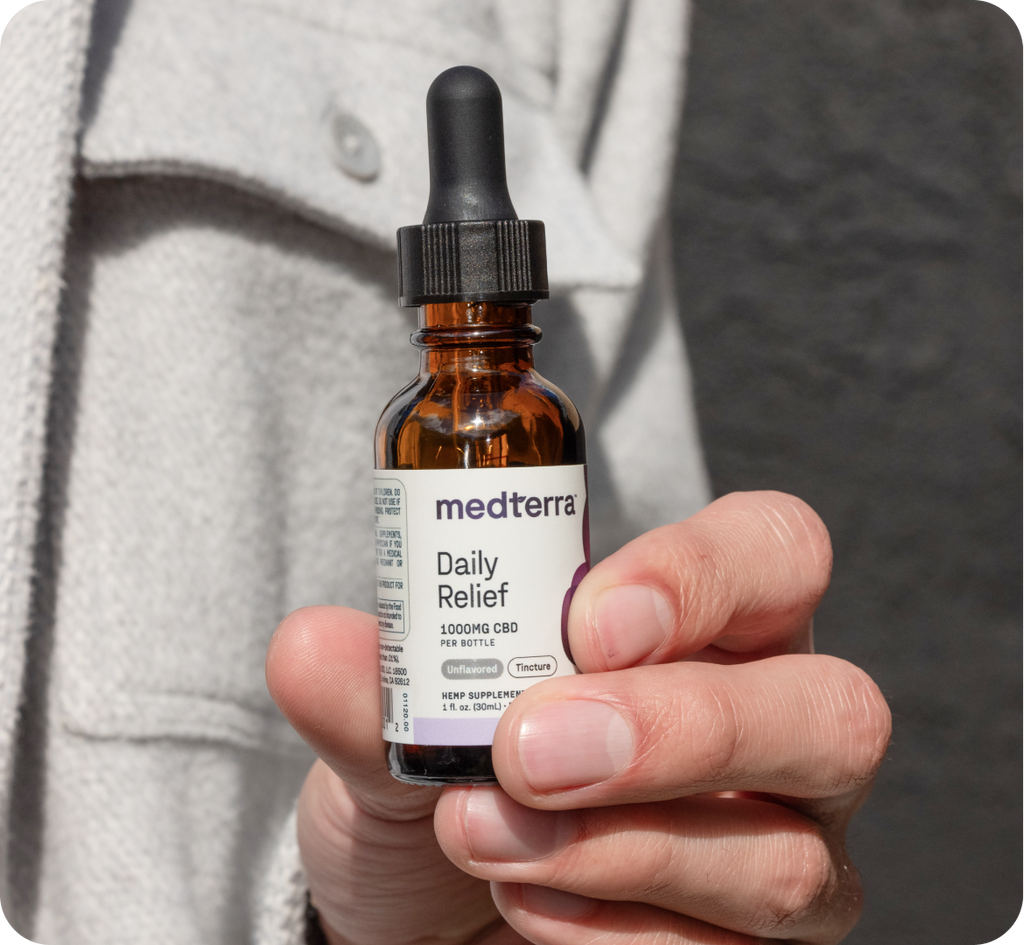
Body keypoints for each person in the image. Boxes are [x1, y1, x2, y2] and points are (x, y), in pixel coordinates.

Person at [0, 1, 890, 943]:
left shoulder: (545, 415)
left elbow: (657, 583)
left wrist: (685, 766)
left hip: (477, 844)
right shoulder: (413, 422)